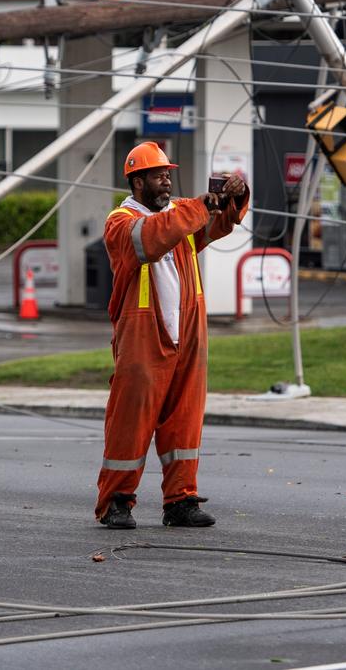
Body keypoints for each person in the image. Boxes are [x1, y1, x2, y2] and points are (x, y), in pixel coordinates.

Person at [95, 141, 249, 529]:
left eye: (168, 175)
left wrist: (235, 196)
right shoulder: (121, 221)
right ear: (137, 181)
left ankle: (180, 500)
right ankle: (116, 502)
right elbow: (150, 239)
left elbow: (219, 225)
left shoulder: (181, 213)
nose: (166, 182)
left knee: (185, 421)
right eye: (159, 176)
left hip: (188, 334)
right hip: (143, 337)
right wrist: (199, 206)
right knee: (130, 420)